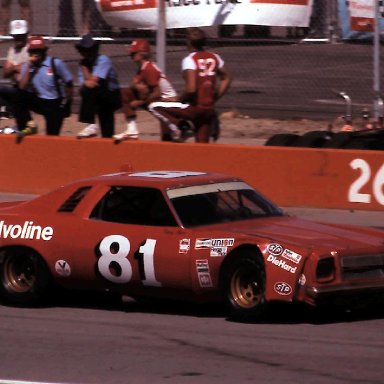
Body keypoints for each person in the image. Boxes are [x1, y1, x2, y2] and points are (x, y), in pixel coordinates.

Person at [148, 27, 231, 143]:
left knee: (154, 107)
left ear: (188, 42)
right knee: (202, 147)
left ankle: (183, 127)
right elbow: (227, 78)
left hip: (194, 108)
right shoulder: (215, 57)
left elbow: (191, 89)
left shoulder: (190, 60)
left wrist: (177, 100)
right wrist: (215, 96)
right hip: (209, 109)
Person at [114, 39, 178, 141]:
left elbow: (157, 93)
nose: (131, 57)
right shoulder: (143, 67)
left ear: (141, 54)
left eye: (133, 54)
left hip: (168, 101)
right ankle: (132, 130)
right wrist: (136, 86)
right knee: (125, 93)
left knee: (168, 138)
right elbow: (133, 85)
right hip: (159, 100)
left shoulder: (149, 68)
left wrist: (138, 102)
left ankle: (179, 127)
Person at [14, 35, 74, 135]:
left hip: (54, 103)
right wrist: (29, 65)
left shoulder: (55, 63)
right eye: (34, 51)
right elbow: (21, 86)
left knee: (52, 135)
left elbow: (69, 82)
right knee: (18, 97)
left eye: (39, 50)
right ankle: (28, 126)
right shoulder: (28, 65)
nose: (36, 54)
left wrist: (68, 103)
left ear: (44, 51)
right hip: (39, 100)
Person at [75, 34, 121, 138]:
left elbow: (94, 81)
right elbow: (82, 87)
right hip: (96, 97)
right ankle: (90, 124)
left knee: (107, 126)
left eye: (91, 50)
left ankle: (94, 126)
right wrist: (84, 68)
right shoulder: (83, 64)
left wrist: (85, 69)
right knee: (87, 90)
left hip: (110, 95)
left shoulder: (103, 59)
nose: (88, 53)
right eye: (85, 51)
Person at [0, 19, 29, 120]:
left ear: (26, 34)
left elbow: (28, 71)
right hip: (16, 85)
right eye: (16, 36)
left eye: (20, 35)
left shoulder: (31, 48)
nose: (18, 38)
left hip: (29, 87)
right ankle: (7, 110)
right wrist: (19, 67)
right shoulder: (13, 49)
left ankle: (10, 109)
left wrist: (14, 68)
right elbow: (6, 72)